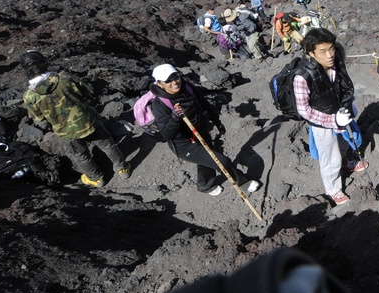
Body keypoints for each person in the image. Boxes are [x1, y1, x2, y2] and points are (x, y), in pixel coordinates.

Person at [19, 51, 130, 187]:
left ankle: (96, 178)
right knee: (107, 144)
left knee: (80, 155)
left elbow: (39, 118)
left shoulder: (30, 96)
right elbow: (85, 92)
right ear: (44, 63)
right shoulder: (65, 77)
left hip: (66, 131)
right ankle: (122, 169)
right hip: (89, 120)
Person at [148, 64, 260, 197]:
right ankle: (243, 182)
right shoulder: (159, 104)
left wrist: (217, 122)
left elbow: (204, 103)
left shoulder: (186, 86)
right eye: (168, 80)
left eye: (176, 76)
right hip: (184, 144)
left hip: (200, 131)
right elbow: (167, 134)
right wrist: (174, 118)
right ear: (160, 84)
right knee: (222, 161)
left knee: (206, 160)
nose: (175, 82)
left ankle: (205, 184)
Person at [292, 28, 367, 206]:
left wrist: (349, 104)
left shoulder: (336, 63)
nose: (330, 55)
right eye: (323, 51)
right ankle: (333, 189)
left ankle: (345, 162)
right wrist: (332, 121)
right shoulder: (301, 78)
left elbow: (344, 85)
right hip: (322, 123)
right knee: (329, 158)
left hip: (339, 112)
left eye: (331, 48)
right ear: (311, 53)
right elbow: (305, 111)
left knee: (342, 143)